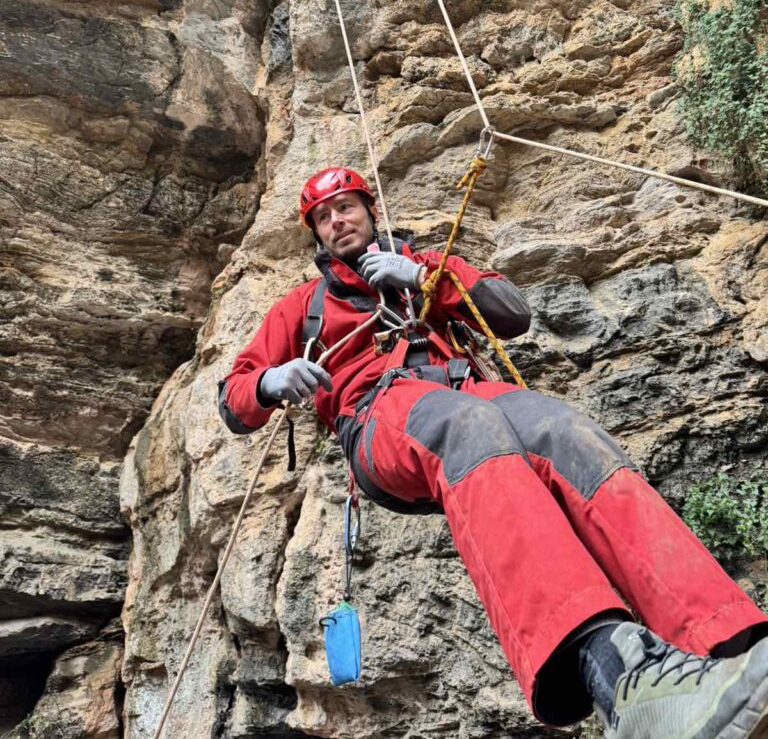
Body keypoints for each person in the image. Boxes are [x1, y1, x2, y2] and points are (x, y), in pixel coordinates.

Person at [220, 166, 768, 737]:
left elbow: (511, 313)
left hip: (465, 393)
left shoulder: (425, 269)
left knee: (563, 429)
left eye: (346, 207)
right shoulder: (303, 307)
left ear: (370, 211)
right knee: (469, 425)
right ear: (315, 233)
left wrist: (424, 275)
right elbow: (234, 399)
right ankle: (619, 678)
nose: (337, 221)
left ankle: (732, 643)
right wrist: (269, 382)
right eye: (323, 217)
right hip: (379, 413)